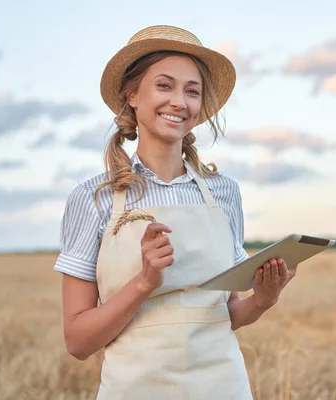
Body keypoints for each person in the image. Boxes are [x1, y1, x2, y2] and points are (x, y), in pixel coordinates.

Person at [53, 25, 298, 399]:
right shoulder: (94, 198)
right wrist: (144, 283)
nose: (179, 102)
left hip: (222, 387)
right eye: (165, 86)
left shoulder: (224, 193)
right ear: (132, 94)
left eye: (192, 91)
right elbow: (78, 342)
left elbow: (224, 313)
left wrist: (263, 300)